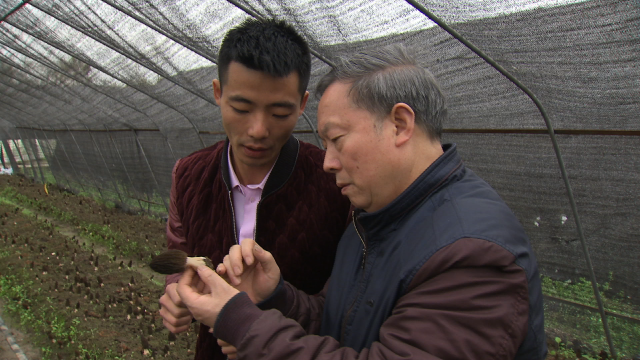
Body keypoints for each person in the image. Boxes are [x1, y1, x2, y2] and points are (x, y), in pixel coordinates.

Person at [176, 45, 548, 359]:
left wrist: (240, 321)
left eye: (337, 139)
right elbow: (342, 321)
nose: (327, 162)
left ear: (400, 124)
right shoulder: (374, 217)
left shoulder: (472, 254)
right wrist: (278, 297)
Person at [158, 18, 351, 360]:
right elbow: (180, 254)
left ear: (302, 104)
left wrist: (264, 326)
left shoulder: (336, 184)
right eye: (241, 108)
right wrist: (177, 292)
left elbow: (343, 307)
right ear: (218, 93)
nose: (259, 129)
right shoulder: (187, 175)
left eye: (279, 112)